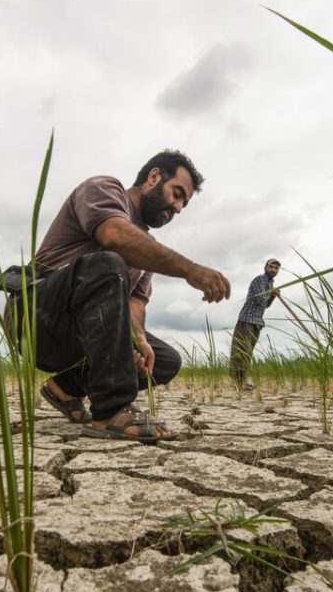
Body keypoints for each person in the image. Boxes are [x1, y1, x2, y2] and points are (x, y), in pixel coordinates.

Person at [22, 150, 230, 443]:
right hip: (37, 318)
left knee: (165, 360)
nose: (178, 207)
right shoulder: (104, 188)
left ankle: (66, 388)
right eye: (177, 194)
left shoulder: (146, 250)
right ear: (154, 177)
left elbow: (134, 306)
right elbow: (113, 235)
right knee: (108, 263)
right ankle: (111, 410)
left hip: (84, 336)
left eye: (184, 203)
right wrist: (190, 270)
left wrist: (138, 341)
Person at [229, 258, 281, 389]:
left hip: (257, 322)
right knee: (241, 351)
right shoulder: (260, 280)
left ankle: (241, 380)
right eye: (271, 267)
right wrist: (271, 293)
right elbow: (261, 300)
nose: (273, 270)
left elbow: (266, 305)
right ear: (265, 268)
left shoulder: (270, 283)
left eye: (276, 268)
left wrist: (273, 296)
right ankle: (238, 382)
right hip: (247, 320)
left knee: (248, 353)